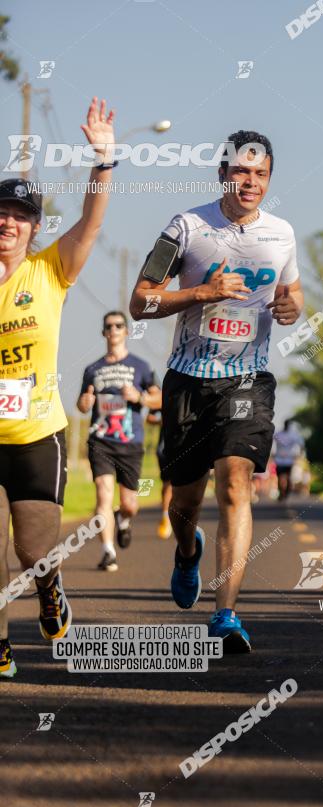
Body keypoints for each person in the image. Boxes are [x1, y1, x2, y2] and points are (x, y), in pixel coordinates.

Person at [130, 130, 303, 652]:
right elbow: (140, 302)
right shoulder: (186, 228)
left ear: (269, 179)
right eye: (241, 172)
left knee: (235, 483)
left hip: (247, 380)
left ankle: (225, 613)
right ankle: (187, 553)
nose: (250, 182)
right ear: (222, 173)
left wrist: (293, 307)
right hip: (187, 381)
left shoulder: (281, 234)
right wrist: (203, 291)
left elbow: (292, 292)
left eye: (260, 174)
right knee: (184, 501)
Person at [0, 97, 116, 678]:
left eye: (19, 216)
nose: (7, 222)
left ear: (34, 227)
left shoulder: (49, 271)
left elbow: (92, 223)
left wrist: (103, 160)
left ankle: (49, 586)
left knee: (31, 549)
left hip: (36, 432)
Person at [77, 312, 160, 572]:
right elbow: (81, 403)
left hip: (130, 441)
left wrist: (140, 398)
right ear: (103, 333)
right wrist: (85, 403)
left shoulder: (142, 367)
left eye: (118, 326)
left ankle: (123, 521)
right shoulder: (93, 369)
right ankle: (108, 551)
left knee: (130, 504)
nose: (113, 330)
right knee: (103, 493)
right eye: (109, 326)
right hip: (100, 440)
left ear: (126, 331)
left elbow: (159, 400)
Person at [146, 408, 173, 539]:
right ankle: (166, 518)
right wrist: (162, 421)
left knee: (183, 484)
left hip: (186, 441)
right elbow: (149, 418)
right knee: (167, 483)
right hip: (165, 446)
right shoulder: (161, 395)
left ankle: (181, 518)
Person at [273, 419, 305, 500]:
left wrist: (299, 455)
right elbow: (271, 443)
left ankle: (286, 492)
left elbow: (301, 445)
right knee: (280, 477)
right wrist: (272, 453)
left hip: (289, 460)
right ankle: (281, 492)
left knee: (288, 477)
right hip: (279, 460)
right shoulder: (278, 434)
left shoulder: (293, 435)